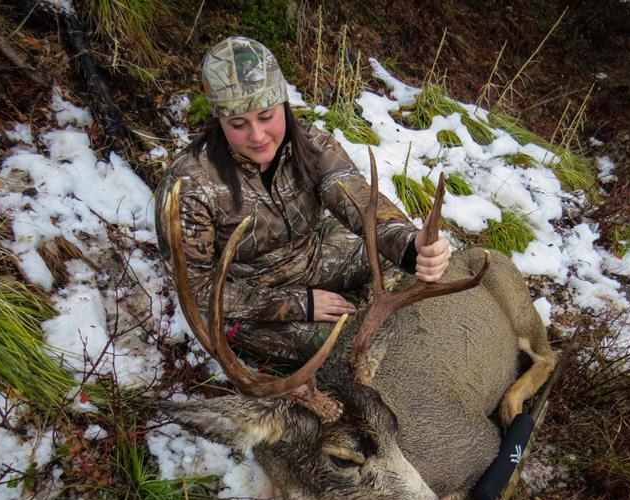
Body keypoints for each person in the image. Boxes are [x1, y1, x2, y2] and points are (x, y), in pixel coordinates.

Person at [155, 36, 450, 364]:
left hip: (315, 254)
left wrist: (411, 244)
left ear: (283, 103)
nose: (257, 136)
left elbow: (354, 196)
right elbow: (197, 291)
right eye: (238, 124)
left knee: (418, 281)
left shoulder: (309, 142)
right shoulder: (188, 186)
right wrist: (300, 304)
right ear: (219, 121)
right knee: (352, 351)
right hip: (250, 300)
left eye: (266, 116)